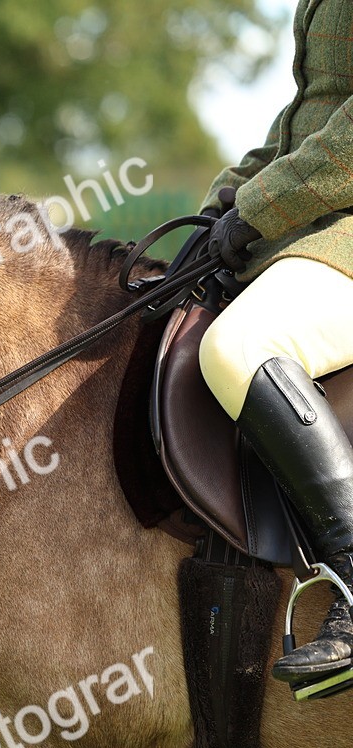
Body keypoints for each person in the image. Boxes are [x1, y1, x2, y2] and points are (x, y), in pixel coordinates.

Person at [197, 0, 353, 684]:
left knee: (241, 345)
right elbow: (309, 117)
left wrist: (259, 212)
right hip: (326, 224)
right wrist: (224, 201)